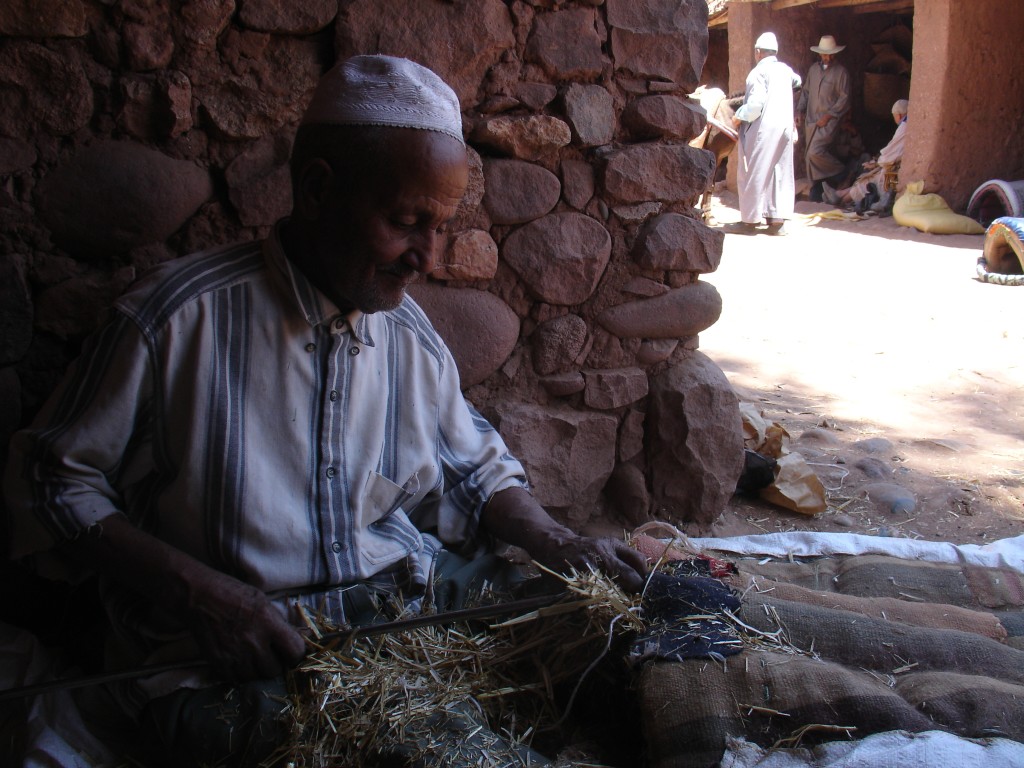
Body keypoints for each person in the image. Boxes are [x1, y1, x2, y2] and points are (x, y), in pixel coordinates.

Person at [3, 55, 648, 766]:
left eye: (440, 227)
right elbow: (49, 481)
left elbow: (476, 469)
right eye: (407, 222)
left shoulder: (407, 334)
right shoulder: (175, 320)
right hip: (242, 655)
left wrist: (560, 544)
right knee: (453, 756)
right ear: (316, 190)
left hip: (409, 603)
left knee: (648, 635)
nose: (427, 259)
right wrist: (203, 597)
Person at [727, 31, 802, 236]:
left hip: (764, 127)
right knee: (779, 171)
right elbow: (798, 81)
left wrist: (738, 116)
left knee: (754, 170)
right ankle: (776, 221)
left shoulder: (757, 73)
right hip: (785, 127)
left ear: (758, 52)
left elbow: (755, 106)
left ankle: (749, 221)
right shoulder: (785, 70)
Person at [823, 99, 909, 212]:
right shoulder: (906, 125)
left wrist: (877, 163)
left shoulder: (904, 126)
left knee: (870, 180)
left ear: (899, 115)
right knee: (868, 177)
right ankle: (839, 196)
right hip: (892, 165)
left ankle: (840, 198)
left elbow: (892, 153)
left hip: (894, 169)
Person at [797, 35, 852, 202]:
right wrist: (799, 109)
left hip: (829, 122)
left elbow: (844, 99)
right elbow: (806, 92)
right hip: (811, 121)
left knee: (815, 153)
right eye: (824, 54)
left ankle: (842, 171)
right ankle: (818, 187)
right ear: (820, 54)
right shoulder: (813, 70)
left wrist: (829, 116)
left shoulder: (841, 73)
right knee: (809, 156)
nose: (827, 57)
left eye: (830, 54)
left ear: (835, 54)